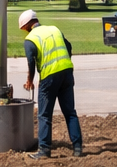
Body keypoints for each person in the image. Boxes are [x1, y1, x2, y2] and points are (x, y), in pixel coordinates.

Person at [18, 9, 82, 159]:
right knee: (70, 112)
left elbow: (30, 62)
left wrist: (30, 81)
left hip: (49, 77)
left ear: (26, 25)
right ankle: (78, 148)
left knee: (44, 115)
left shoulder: (30, 39)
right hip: (67, 73)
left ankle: (45, 150)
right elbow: (69, 47)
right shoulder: (54, 29)